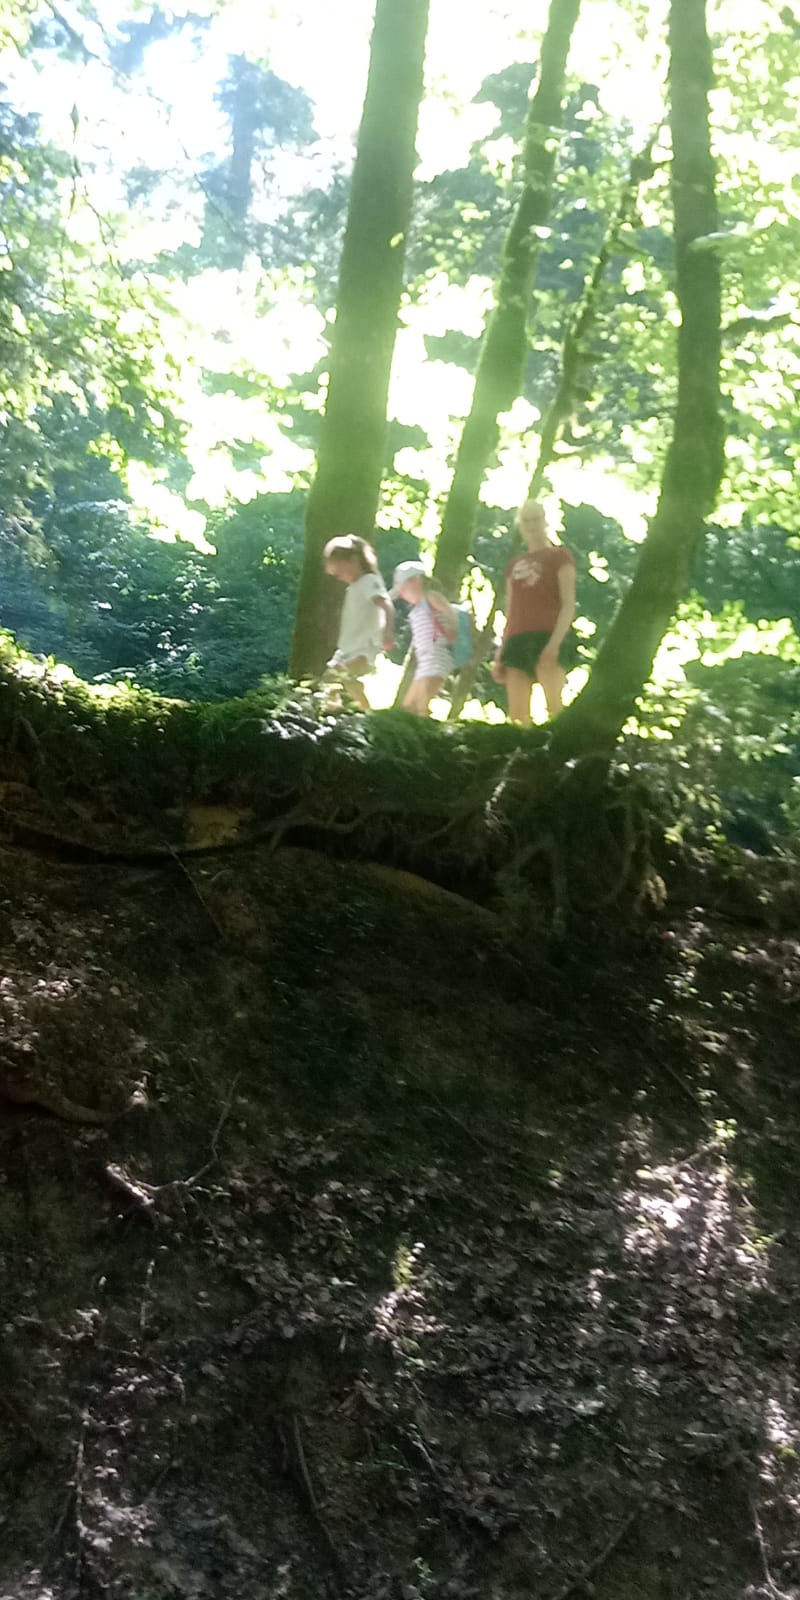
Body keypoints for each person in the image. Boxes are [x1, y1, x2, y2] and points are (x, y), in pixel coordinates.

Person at [493, 499, 577, 725]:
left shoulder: (560, 556)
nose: (531, 524)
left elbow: (568, 604)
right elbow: (511, 610)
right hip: (517, 639)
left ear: (546, 521)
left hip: (548, 635)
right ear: (520, 525)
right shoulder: (513, 565)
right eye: (526, 520)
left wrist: (554, 644)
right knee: (518, 717)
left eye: (536, 519)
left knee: (555, 708)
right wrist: (501, 650)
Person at [323, 536, 394, 709]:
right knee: (331, 681)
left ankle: (366, 715)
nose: (340, 578)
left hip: (364, 646)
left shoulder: (369, 581)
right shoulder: (355, 587)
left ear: (354, 561)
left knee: (341, 676)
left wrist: (388, 632)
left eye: (340, 572)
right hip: (348, 647)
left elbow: (386, 605)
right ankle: (333, 713)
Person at [390, 560, 457, 717]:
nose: (403, 596)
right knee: (409, 705)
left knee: (422, 703)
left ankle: (427, 727)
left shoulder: (431, 597)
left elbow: (450, 612)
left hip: (437, 657)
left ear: (417, 581)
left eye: (403, 590)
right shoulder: (417, 608)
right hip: (425, 661)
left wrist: (453, 629)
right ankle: (417, 726)